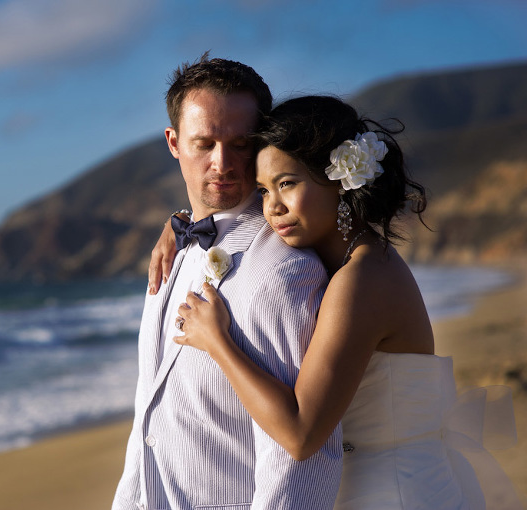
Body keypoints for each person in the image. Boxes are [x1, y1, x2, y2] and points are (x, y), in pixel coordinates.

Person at [149, 95, 522, 509]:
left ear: (340, 179)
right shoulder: (347, 259)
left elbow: (301, 435)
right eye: (262, 189)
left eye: (287, 183)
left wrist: (217, 341)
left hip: (394, 492)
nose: (272, 207)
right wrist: (181, 221)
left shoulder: (362, 279)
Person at [112, 56, 343, 510]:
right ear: (174, 143)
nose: (222, 163)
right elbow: (148, 418)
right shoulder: (172, 253)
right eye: (205, 143)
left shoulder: (282, 271)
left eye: (240, 143)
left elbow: (298, 465)